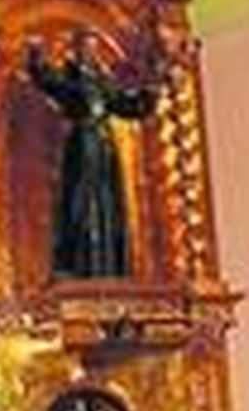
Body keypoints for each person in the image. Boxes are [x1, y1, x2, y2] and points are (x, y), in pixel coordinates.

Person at [26, 30, 155, 279]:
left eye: (95, 48)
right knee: (80, 201)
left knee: (107, 202)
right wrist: (36, 56)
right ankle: (78, 264)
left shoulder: (103, 82)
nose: (91, 52)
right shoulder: (70, 78)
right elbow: (48, 81)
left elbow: (126, 106)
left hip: (104, 145)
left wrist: (147, 94)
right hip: (83, 141)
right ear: (77, 50)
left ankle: (109, 265)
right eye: (86, 47)